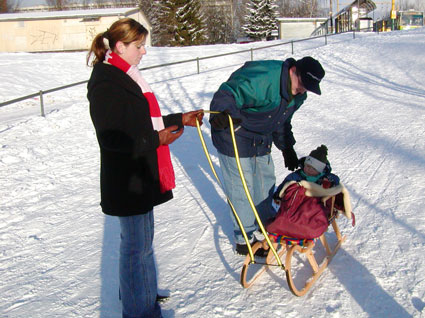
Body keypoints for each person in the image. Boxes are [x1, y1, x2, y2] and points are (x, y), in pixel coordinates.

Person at [86, 18, 203, 318]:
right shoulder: (105, 82)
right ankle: (139, 310)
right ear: (121, 46)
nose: (143, 52)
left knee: (142, 247)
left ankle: (143, 294)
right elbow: (110, 136)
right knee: (136, 250)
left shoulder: (127, 75)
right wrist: (157, 139)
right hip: (128, 181)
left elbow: (142, 121)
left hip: (140, 176)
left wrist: (180, 119)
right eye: (139, 46)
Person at [209, 56, 325, 256]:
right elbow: (228, 92)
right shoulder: (265, 77)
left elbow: (280, 120)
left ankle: (266, 225)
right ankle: (244, 238)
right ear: (293, 71)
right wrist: (222, 112)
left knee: (265, 180)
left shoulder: (298, 94)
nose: (303, 90)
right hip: (233, 131)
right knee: (242, 187)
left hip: (260, 136)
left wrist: (287, 148)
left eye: (308, 88)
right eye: (303, 84)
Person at [267, 145, 352, 241]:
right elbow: (285, 184)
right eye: (307, 166)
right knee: (285, 215)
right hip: (296, 205)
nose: (309, 169)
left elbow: (336, 180)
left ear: (320, 170)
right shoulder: (297, 175)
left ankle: (306, 227)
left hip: (313, 209)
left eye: (313, 168)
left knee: (308, 218)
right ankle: (286, 224)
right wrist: (278, 194)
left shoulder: (324, 177)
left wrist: (329, 181)